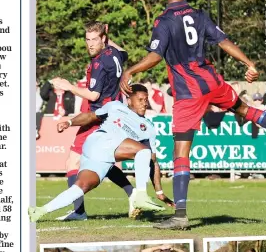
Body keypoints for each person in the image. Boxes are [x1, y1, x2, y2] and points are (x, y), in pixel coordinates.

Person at [120, 0, 266, 230]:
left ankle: (180, 215)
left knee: (181, 152)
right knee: (244, 109)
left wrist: (131, 70)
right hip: (211, 81)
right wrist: (249, 62)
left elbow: (156, 55)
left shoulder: (163, 21)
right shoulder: (199, 15)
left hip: (188, 92)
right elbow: (223, 41)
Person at [28, 85, 169, 223]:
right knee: (143, 150)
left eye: (146, 100)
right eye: (140, 99)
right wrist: (70, 122)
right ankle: (140, 195)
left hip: (101, 157)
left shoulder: (148, 128)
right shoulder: (116, 106)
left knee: (80, 187)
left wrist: (159, 192)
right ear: (130, 100)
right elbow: (90, 116)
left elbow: (152, 161)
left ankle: (39, 211)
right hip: (99, 141)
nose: (144, 103)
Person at [51, 21, 133, 221]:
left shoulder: (98, 62)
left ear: (103, 39)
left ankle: (79, 212)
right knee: (102, 160)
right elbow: (125, 53)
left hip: (95, 116)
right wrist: (106, 34)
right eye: (87, 40)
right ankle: (133, 194)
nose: (90, 44)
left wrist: (68, 86)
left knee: (73, 160)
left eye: (94, 39)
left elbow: (93, 95)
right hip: (111, 114)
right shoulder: (114, 54)